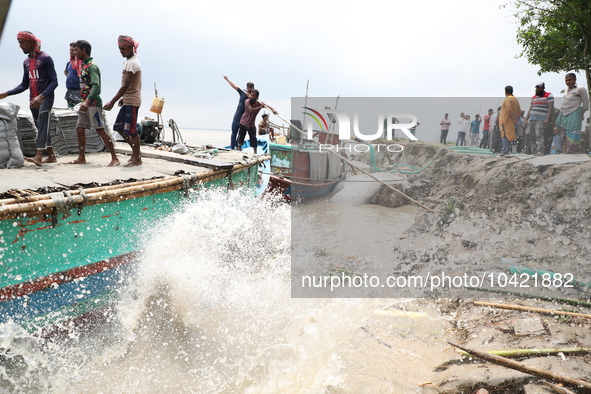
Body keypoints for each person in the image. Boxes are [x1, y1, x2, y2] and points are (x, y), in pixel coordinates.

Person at [0, 31, 58, 166]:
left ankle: (39, 156)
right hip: (33, 99)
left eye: (22, 43)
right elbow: (25, 84)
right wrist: (7, 93)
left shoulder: (45, 58)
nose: (20, 46)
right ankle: (52, 156)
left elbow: (54, 82)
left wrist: (41, 96)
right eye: (19, 43)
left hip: (45, 98)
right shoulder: (26, 62)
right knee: (40, 126)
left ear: (31, 42)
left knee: (43, 123)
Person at [69, 40, 120, 166]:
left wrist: (87, 101)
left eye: (76, 50)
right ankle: (81, 157)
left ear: (83, 50)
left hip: (93, 104)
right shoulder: (83, 66)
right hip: (84, 103)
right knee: (80, 129)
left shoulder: (92, 66)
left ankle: (115, 158)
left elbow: (96, 87)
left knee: (100, 130)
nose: (74, 53)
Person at [104, 35, 142, 167]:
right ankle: (135, 153)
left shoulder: (132, 63)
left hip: (132, 101)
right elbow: (129, 85)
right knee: (119, 128)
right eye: (120, 49)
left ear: (131, 48)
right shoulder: (128, 62)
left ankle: (137, 158)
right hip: (128, 100)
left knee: (132, 131)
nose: (122, 51)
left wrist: (112, 101)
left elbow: (126, 85)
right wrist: (123, 98)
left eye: (124, 49)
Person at [555, 73, 589, 154]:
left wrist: (581, 113)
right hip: (564, 112)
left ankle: (572, 150)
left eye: (570, 80)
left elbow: (586, 103)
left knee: (574, 132)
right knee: (564, 131)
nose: (568, 82)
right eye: (566, 80)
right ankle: (565, 149)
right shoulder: (566, 90)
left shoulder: (580, 89)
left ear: (575, 79)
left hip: (575, 111)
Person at [524, 82, 554, 156]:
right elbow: (530, 109)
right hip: (532, 119)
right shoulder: (533, 97)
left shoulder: (548, 95)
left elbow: (550, 108)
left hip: (541, 118)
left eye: (539, 88)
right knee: (531, 135)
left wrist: (547, 119)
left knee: (539, 134)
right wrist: (526, 119)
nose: (537, 89)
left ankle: (540, 151)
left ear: (543, 88)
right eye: (537, 88)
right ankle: (534, 150)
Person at [224, 75, 253, 149]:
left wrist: (251, 97)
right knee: (234, 133)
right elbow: (234, 86)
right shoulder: (242, 92)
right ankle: (232, 148)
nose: (249, 89)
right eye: (248, 88)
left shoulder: (254, 97)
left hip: (244, 120)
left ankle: (238, 146)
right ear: (247, 88)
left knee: (241, 134)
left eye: (251, 88)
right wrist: (228, 80)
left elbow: (256, 102)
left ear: (253, 88)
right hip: (237, 117)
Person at [499, 85, 521, 156]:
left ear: (505, 92)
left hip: (505, 120)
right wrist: (515, 118)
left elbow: (509, 109)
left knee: (504, 136)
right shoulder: (515, 99)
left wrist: (512, 116)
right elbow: (519, 111)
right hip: (511, 121)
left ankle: (505, 151)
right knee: (510, 136)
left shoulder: (508, 99)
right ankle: (509, 150)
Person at [64, 42, 82, 109]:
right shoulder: (69, 63)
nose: (71, 52)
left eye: (73, 50)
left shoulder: (81, 63)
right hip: (70, 91)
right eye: (70, 50)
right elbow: (66, 71)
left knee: (78, 111)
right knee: (70, 111)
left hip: (79, 92)